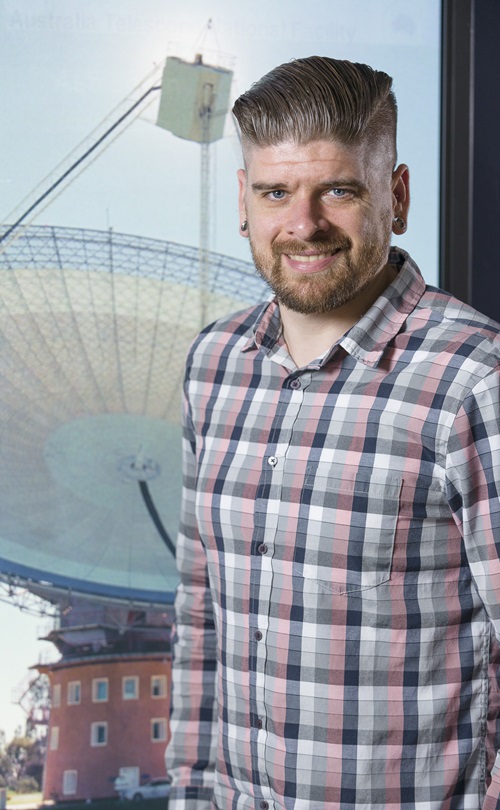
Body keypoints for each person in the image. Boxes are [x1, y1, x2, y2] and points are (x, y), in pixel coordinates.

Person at [165, 56, 500, 810]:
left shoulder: (475, 380)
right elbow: (199, 618)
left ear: (398, 196)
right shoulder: (212, 366)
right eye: (275, 191)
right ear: (244, 203)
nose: (303, 223)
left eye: (338, 190)